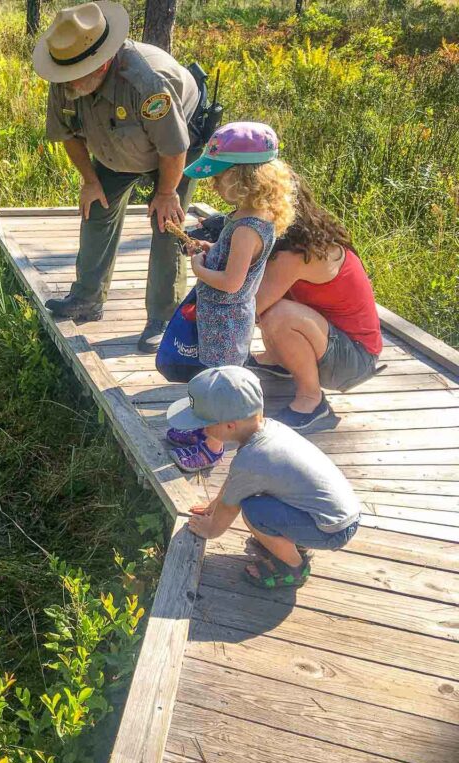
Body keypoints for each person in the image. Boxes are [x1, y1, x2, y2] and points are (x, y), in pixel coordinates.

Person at [33, 1, 203, 352]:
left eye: (77, 73)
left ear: (101, 62)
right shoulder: (64, 75)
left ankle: (162, 317)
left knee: (166, 223)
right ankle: (87, 298)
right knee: (96, 207)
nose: (67, 83)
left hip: (176, 149)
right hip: (115, 146)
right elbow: (67, 134)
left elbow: (173, 145)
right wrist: (90, 181)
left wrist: (167, 192)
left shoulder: (147, 82)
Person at [164, 122, 296, 472]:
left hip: (226, 317)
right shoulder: (245, 218)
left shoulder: (247, 228)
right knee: (212, 375)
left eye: (219, 177)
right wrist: (209, 248)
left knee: (222, 383)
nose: (213, 183)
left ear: (242, 178)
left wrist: (198, 268)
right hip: (220, 315)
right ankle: (204, 428)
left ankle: (212, 446)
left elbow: (232, 282)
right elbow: (233, 260)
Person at [168, 366, 361, 589]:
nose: (201, 431)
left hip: (331, 530)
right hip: (338, 514)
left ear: (230, 425)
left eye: (204, 424)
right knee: (257, 502)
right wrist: (213, 505)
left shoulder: (252, 458)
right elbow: (235, 481)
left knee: (254, 511)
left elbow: (231, 508)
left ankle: (292, 568)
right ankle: (291, 541)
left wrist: (210, 530)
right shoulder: (270, 430)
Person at [249, 174, 383, 430]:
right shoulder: (308, 238)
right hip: (340, 344)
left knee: (277, 314)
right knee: (276, 307)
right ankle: (279, 361)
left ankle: (311, 401)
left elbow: (253, 307)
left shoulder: (296, 254)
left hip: (354, 360)